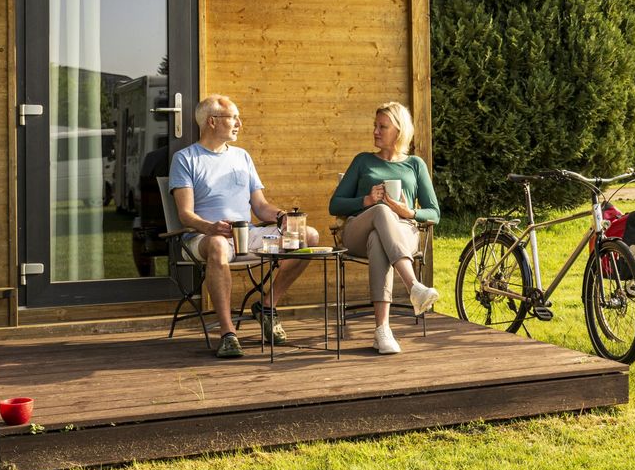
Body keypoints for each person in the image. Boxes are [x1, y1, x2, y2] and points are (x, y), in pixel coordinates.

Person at [171, 94, 317, 358]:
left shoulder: (242, 157)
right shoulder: (186, 159)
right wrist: (210, 228)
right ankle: (228, 333)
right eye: (233, 118)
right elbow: (185, 215)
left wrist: (281, 216)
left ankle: (267, 306)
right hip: (203, 238)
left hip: (245, 235)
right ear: (212, 121)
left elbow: (260, 206)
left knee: (307, 235)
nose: (240, 123)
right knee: (218, 245)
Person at [329, 101, 440, 354]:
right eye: (375, 126)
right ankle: (413, 286)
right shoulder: (362, 161)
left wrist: (409, 212)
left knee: (379, 241)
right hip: (358, 230)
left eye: (382, 127)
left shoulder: (415, 165)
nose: (375, 131)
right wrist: (366, 201)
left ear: (399, 131)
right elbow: (335, 205)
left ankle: (382, 331)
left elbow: (434, 212)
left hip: (403, 231)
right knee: (380, 211)